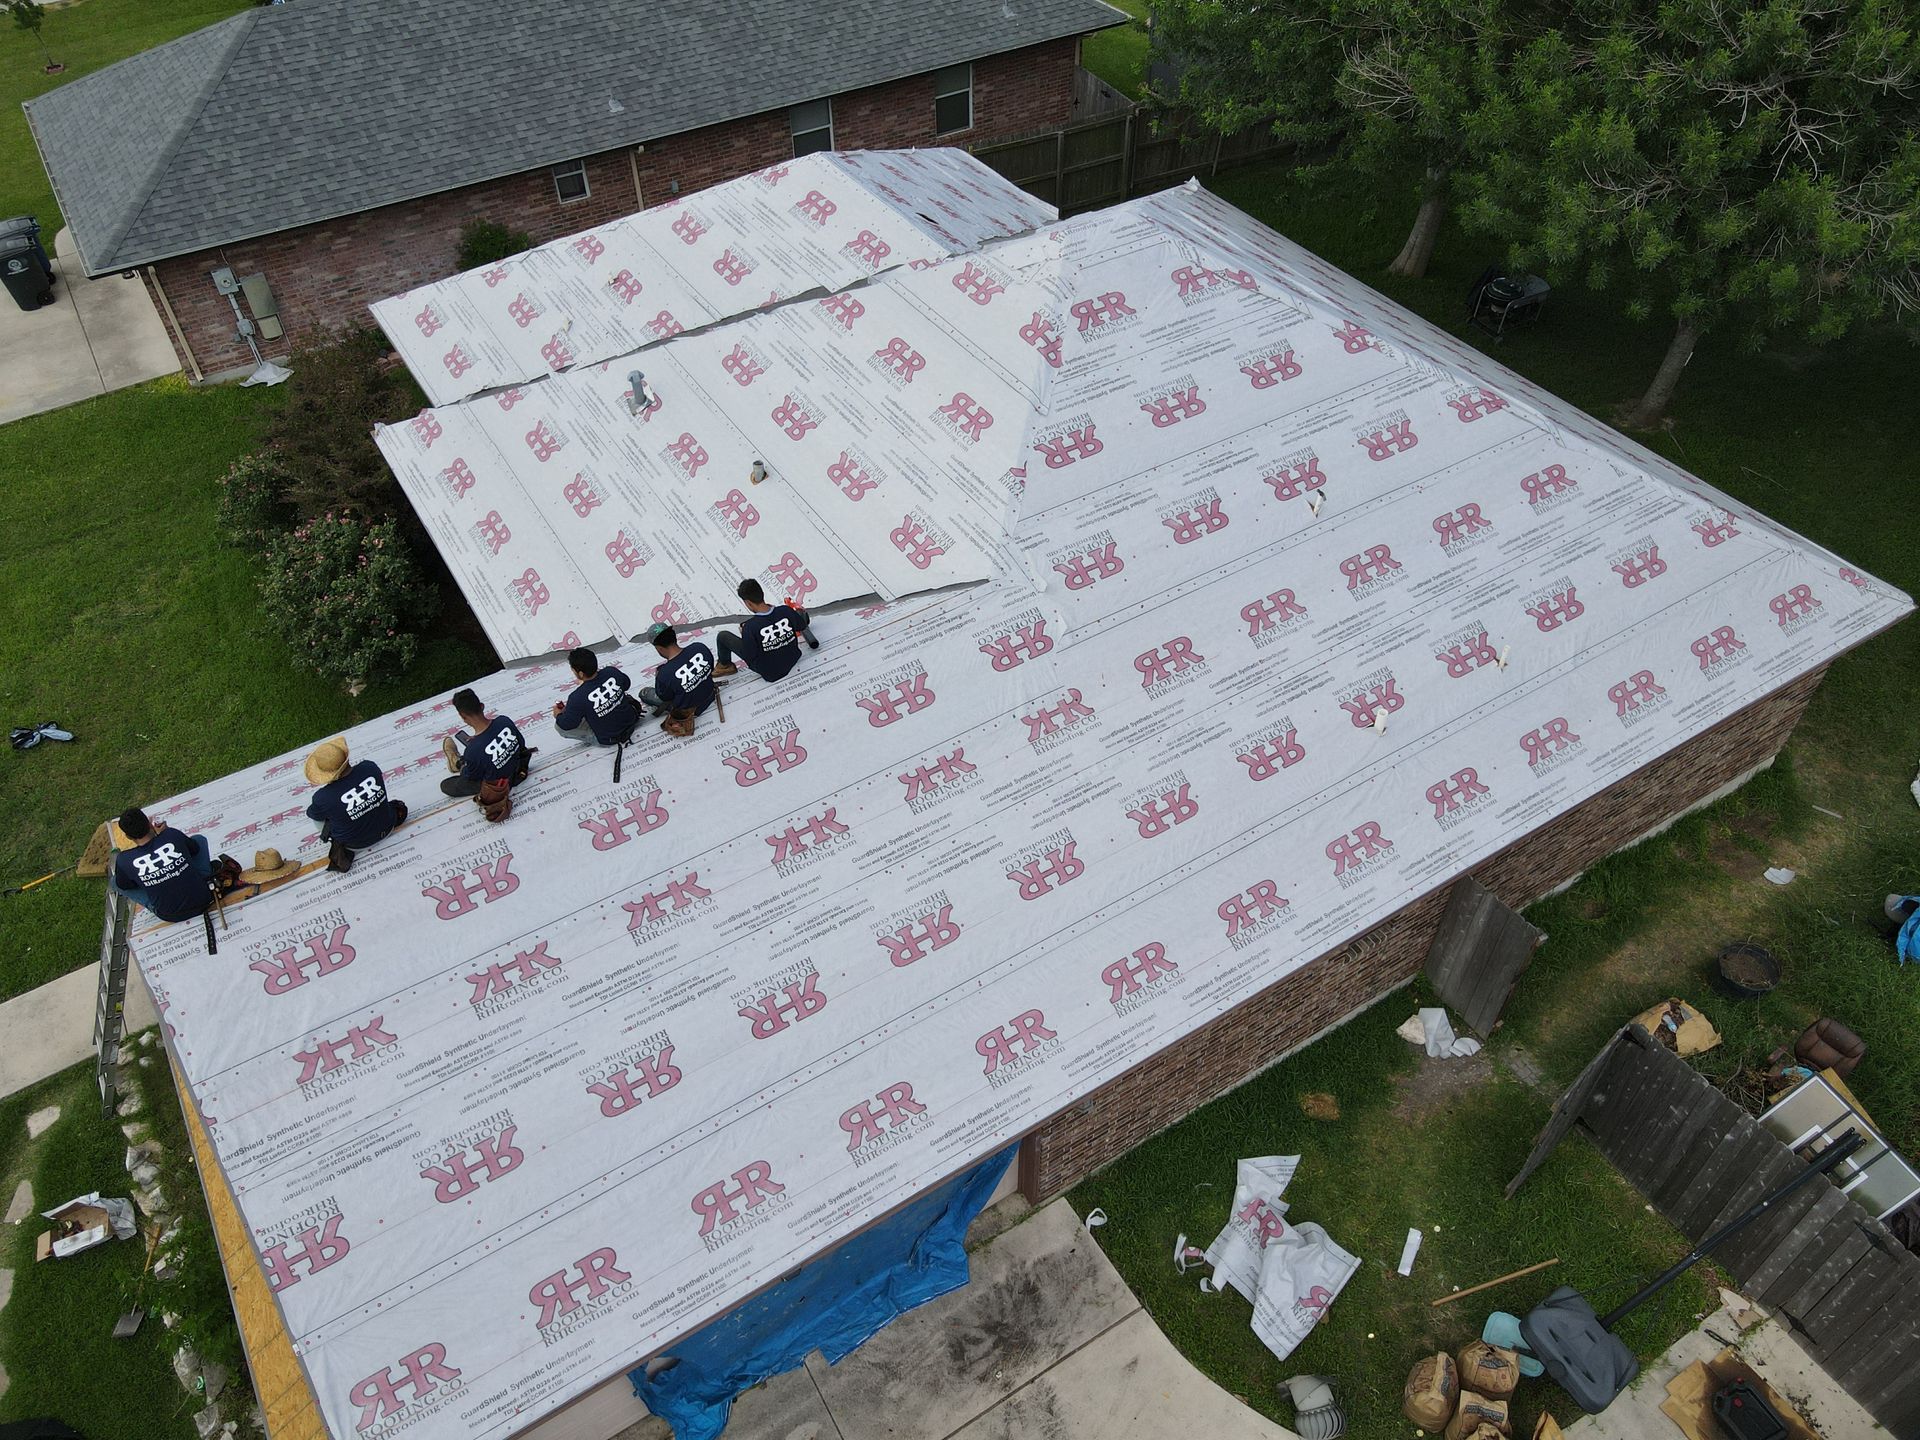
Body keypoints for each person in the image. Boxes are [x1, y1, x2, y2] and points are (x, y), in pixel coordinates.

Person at [110, 808, 239, 922]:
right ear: (149, 823)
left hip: (170, 914)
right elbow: (194, 849)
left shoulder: (124, 860)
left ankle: (159, 895)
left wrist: (152, 878)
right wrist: (164, 835)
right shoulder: (171, 834)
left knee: (114, 882)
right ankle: (203, 876)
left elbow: (124, 885)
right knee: (199, 839)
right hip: (204, 897)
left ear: (128, 836)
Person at [304, 738, 407, 873]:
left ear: (325, 774)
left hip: (355, 844)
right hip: (388, 825)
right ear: (345, 758)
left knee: (319, 815)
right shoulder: (369, 767)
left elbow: (312, 814)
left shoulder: (322, 797)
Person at [712, 578, 816, 682]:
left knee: (723, 636)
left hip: (770, 672)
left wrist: (745, 635)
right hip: (793, 658)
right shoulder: (785, 611)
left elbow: (750, 656)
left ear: (748, 603)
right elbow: (802, 625)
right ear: (762, 594)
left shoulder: (750, 628)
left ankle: (725, 666)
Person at [440, 689, 532, 797]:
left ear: (463, 716)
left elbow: (470, 777)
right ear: (482, 706)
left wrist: (465, 766)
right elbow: (521, 744)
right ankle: (460, 762)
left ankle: (457, 762)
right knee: (479, 756)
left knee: (446, 785)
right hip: (519, 769)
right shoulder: (504, 721)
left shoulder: (472, 751)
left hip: (499, 785)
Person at [638, 623, 716, 737]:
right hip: (710, 694)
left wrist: (659, 677)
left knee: (645, 694)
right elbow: (711, 668)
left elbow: (665, 697)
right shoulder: (699, 648)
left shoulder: (664, 674)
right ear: (674, 636)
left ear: (658, 648)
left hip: (690, 709)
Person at [552, 647, 641, 745]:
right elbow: (626, 684)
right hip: (631, 720)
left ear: (581, 673)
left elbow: (567, 725)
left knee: (559, 727)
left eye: (573, 670)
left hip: (609, 738)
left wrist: (558, 715)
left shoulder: (577, 697)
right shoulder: (611, 672)